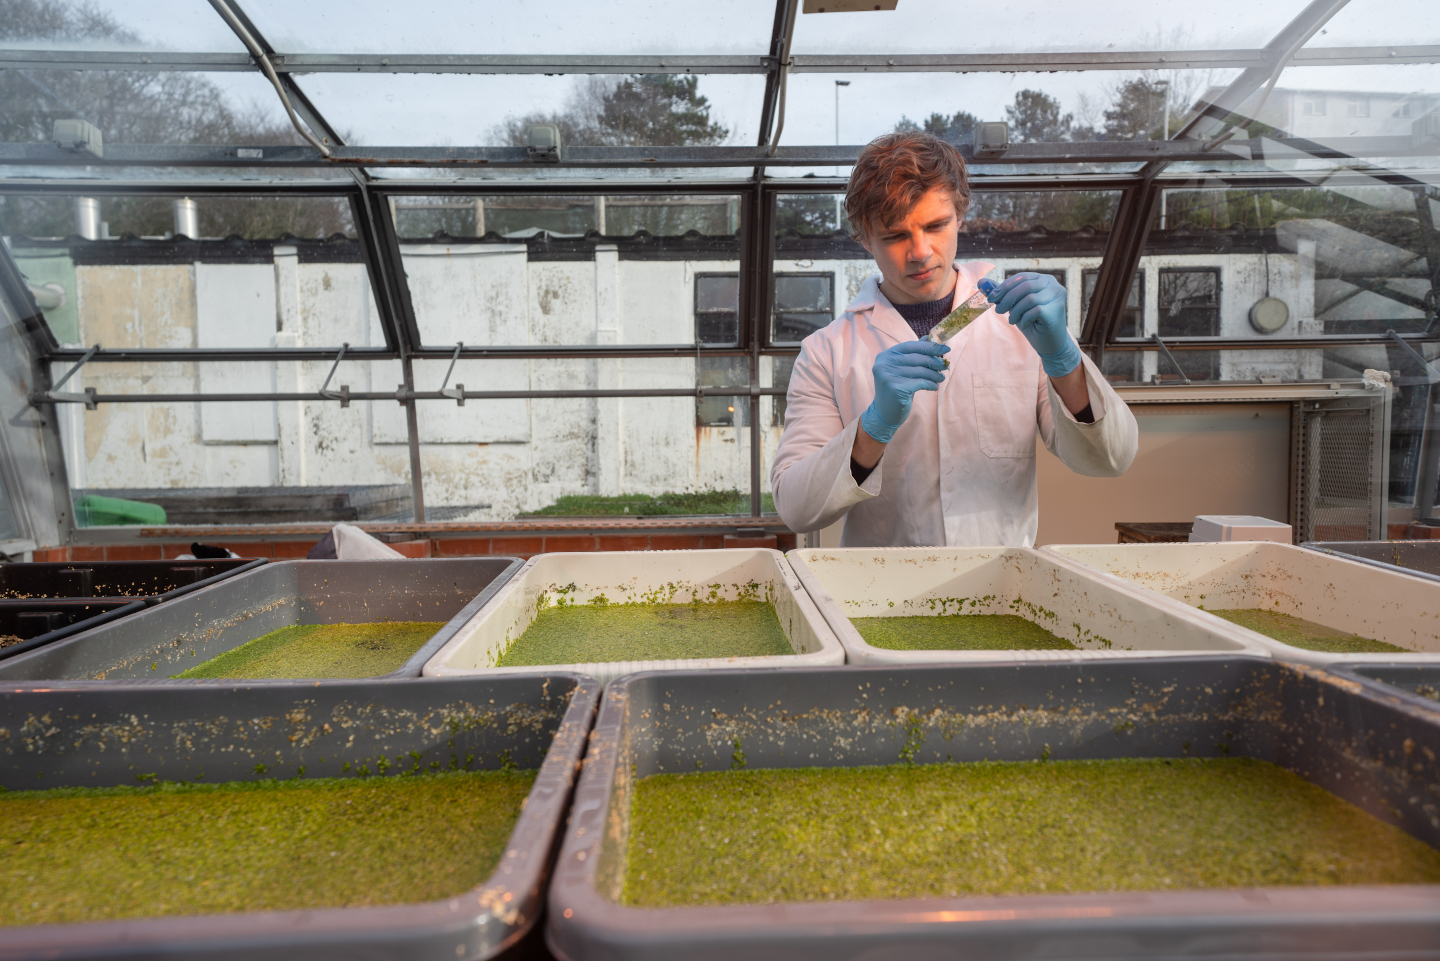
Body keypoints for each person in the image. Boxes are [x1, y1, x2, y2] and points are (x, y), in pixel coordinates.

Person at [770, 131, 1138, 547]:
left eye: (936, 225)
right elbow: (796, 508)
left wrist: (1062, 357)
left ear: (960, 214)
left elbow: (1111, 458)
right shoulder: (828, 351)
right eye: (894, 235)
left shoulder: (1019, 325)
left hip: (1001, 586)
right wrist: (874, 427)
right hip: (881, 596)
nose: (921, 252)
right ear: (863, 238)